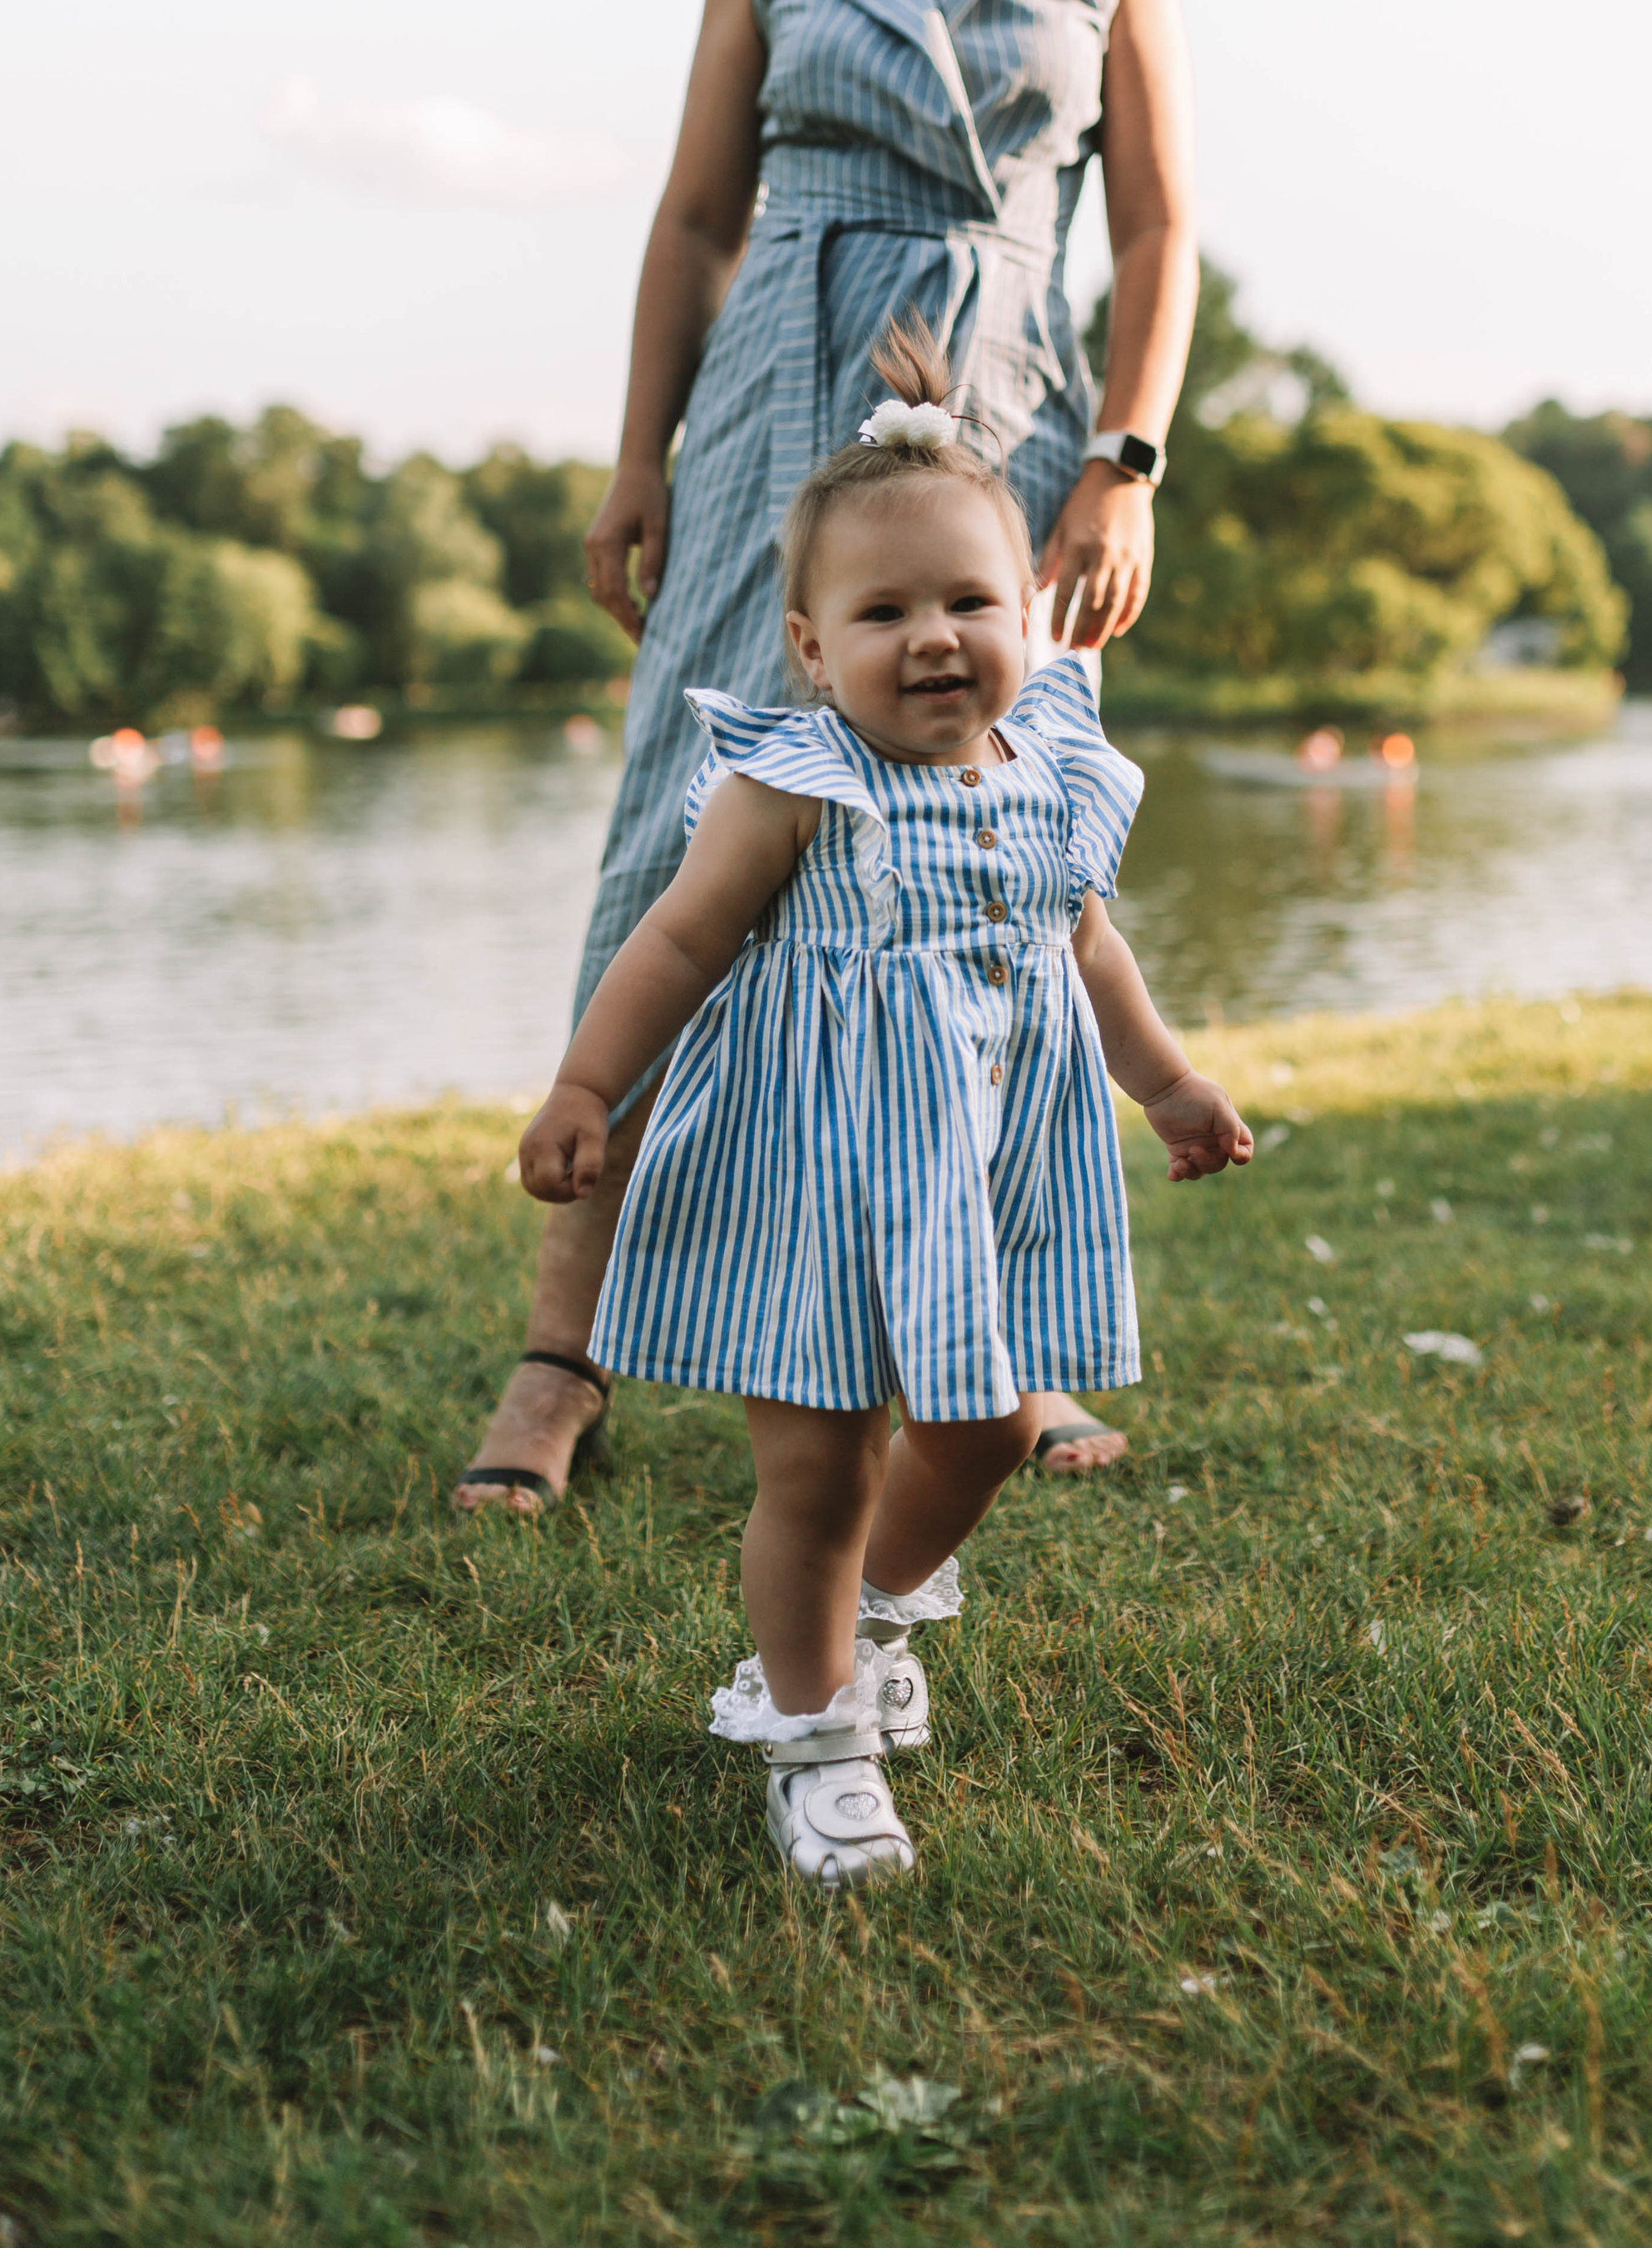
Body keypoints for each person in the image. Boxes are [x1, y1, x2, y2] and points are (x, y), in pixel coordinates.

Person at [454, 0, 1200, 1514]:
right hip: (778, 403)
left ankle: (1002, 1345)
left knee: (1002, 861)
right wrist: (640, 457)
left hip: (1015, 437)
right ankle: (561, 1355)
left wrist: (1127, 456)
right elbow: (694, 218)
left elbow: (1166, 234)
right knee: (675, 838)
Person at [521, 326, 1252, 1883]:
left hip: (975, 1189)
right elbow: (677, 939)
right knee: (825, 1462)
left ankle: (857, 1622)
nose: (935, 639)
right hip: (812, 1186)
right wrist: (591, 1084)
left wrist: (1170, 1081)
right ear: (810, 645)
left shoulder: (1049, 766)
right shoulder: (798, 782)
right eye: (886, 612)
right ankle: (818, 1736)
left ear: (1032, 620)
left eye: (971, 603)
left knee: (983, 1434)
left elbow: (1089, 948)